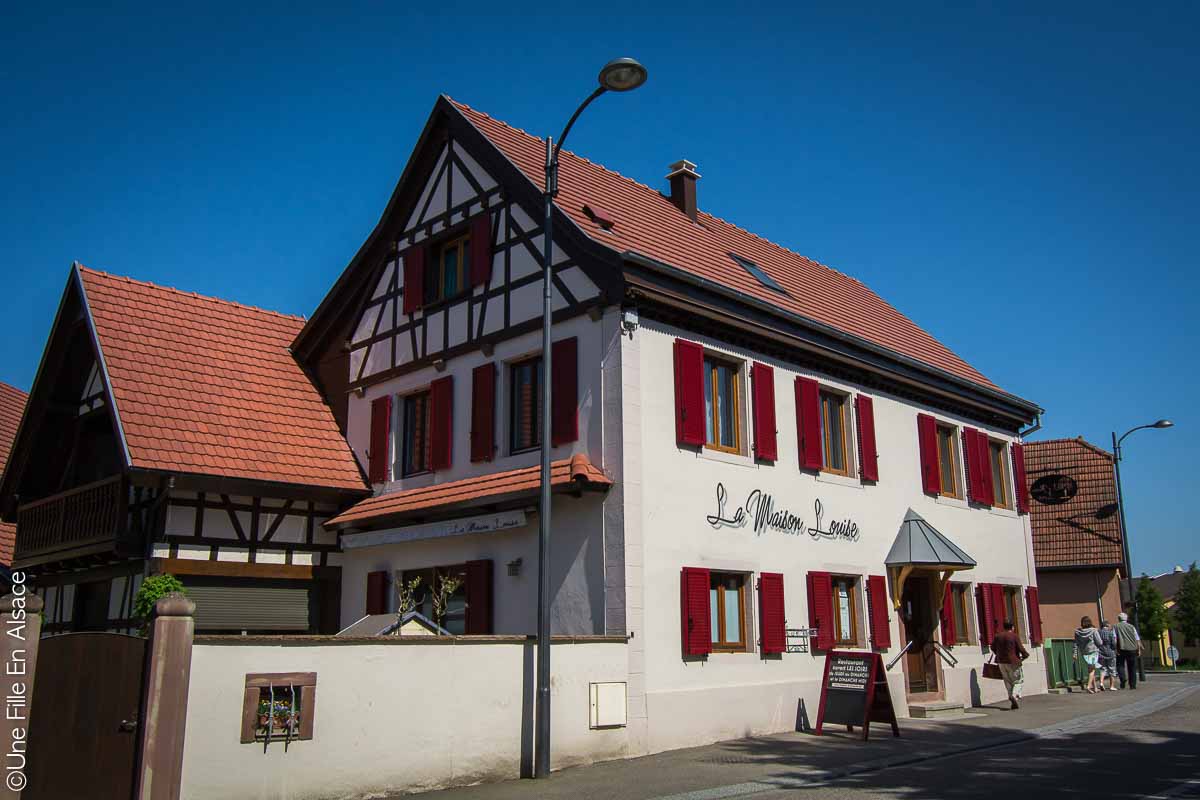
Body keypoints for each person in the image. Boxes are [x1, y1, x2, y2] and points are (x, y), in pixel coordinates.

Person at [991, 619, 1029, 709]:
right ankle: (1014, 695)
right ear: (1012, 627)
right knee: (1018, 680)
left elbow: (992, 647)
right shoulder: (1014, 636)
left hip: (1001, 662)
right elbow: (1020, 648)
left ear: (1004, 627)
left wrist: (999, 654)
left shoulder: (998, 636)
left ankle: (1011, 697)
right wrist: (1025, 655)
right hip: (1013, 661)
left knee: (1007, 680)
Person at [1113, 611, 1143, 689]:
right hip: (1132, 648)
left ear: (1119, 619)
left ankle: (1123, 679)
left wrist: (1116, 649)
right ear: (1126, 619)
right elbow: (1137, 638)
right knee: (1132, 667)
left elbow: (1115, 639)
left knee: (1120, 665)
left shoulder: (1115, 626)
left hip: (1121, 648)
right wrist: (1139, 649)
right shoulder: (1131, 626)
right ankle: (1133, 685)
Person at [1073, 616, 1103, 693]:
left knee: (1090, 668)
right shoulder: (1094, 630)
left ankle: (1095, 687)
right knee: (1092, 670)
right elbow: (1099, 642)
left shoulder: (1078, 632)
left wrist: (1075, 653)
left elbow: (1075, 643)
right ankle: (1089, 686)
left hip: (1084, 652)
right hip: (1093, 651)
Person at [1097, 620, 1118, 691]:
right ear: (1107, 625)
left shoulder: (1098, 632)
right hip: (1110, 653)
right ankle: (1112, 686)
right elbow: (1114, 644)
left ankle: (1101, 683)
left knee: (1103, 669)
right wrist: (1114, 649)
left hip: (1101, 653)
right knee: (1112, 669)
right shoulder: (1110, 633)